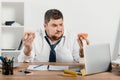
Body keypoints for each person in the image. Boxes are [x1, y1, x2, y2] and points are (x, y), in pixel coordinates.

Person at [18, 9, 89, 62]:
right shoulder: (34, 37)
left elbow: (80, 62)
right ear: (45, 26)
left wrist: (82, 52)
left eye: (61, 25)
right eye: (54, 25)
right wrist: (27, 49)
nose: (59, 29)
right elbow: (22, 62)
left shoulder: (72, 37)